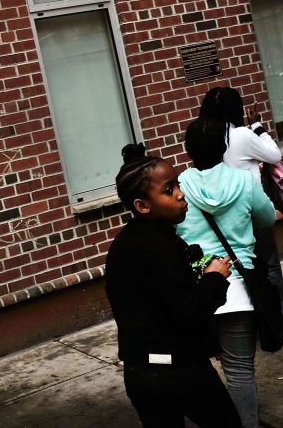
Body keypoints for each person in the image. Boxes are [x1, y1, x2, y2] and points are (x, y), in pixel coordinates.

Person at [105, 143, 242, 428]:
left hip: (138, 370)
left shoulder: (123, 244)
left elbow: (147, 305)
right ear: (142, 205)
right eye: (168, 190)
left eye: (178, 184)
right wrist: (215, 277)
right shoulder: (163, 248)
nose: (180, 194)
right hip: (180, 371)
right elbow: (189, 312)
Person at [176, 116, 276, 428]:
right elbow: (267, 220)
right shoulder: (245, 182)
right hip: (237, 291)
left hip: (196, 291)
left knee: (195, 368)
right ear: (224, 147)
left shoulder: (178, 189)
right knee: (240, 370)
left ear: (188, 149)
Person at [199, 86, 283, 336]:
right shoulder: (241, 134)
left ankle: (245, 322)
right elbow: (275, 154)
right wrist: (258, 126)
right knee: (269, 266)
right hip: (252, 210)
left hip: (222, 216)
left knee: (238, 268)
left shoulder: (206, 137)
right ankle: (277, 322)